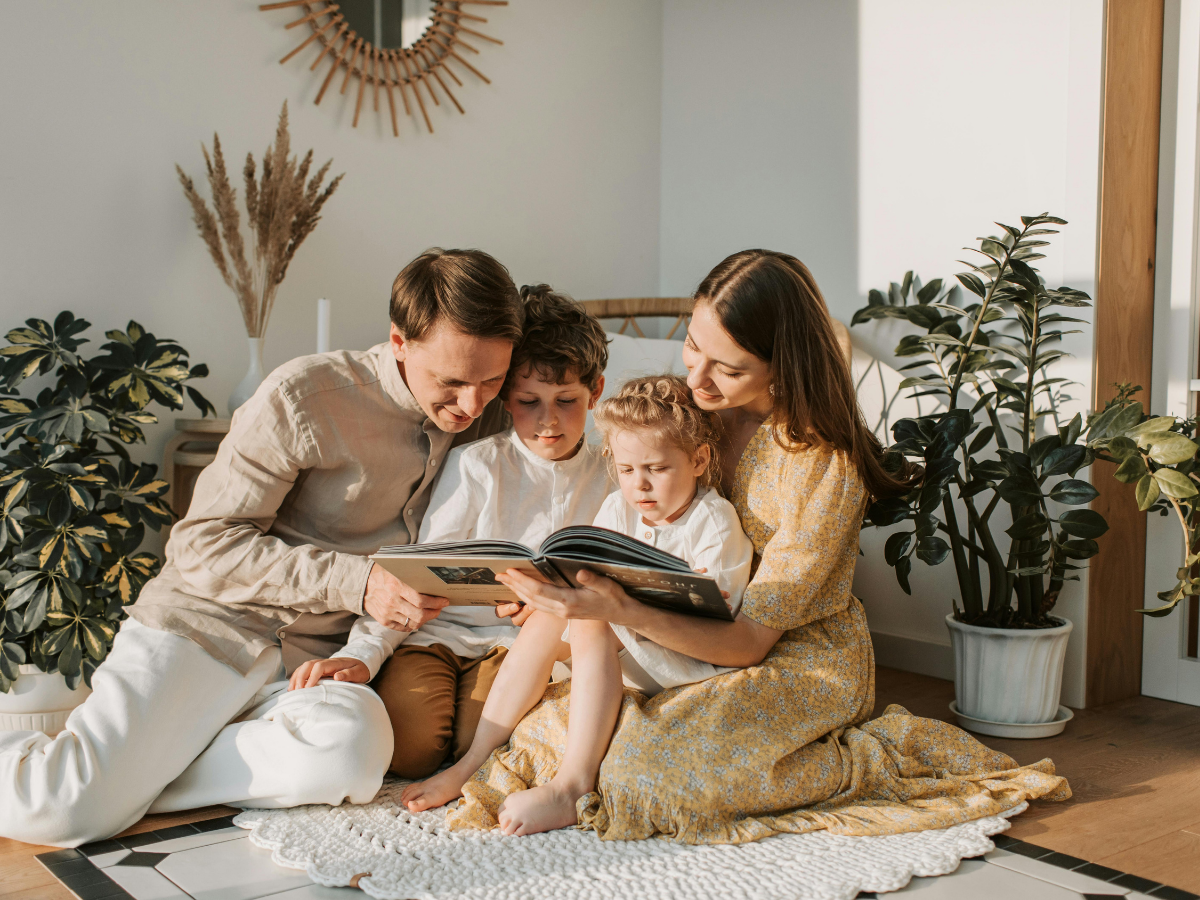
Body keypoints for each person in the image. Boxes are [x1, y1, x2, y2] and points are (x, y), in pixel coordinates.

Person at [447, 249, 1071, 844]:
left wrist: (621, 610)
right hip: (671, 630)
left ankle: (843, 756)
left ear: (782, 364)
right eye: (693, 346)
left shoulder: (823, 466)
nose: (696, 377)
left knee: (650, 777)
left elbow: (749, 643)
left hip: (790, 657)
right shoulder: (691, 417)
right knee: (548, 726)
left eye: (728, 367)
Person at [0, 248, 524, 847]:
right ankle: (105, 783)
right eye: (451, 382)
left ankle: (136, 779)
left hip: (311, 666)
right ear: (399, 342)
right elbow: (202, 543)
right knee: (62, 812)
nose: (472, 405)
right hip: (208, 627)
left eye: (491, 381)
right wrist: (357, 583)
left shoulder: (492, 415)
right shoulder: (305, 396)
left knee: (351, 756)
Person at [402, 375, 753, 835]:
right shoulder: (618, 508)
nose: (640, 486)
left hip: (681, 659)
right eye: (627, 470)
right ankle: (471, 763)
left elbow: (716, 622)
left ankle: (572, 784)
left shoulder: (714, 522)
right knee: (552, 615)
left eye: (657, 469)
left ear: (699, 460)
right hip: (630, 648)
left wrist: (619, 604)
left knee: (590, 618)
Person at [288, 285, 613, 779]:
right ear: (505, 397)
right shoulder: (476, 465)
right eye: (528, 401)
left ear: (597, 391)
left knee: (478, 743)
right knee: (410, 751)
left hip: (517, 646)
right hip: (434, 635)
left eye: (566, 401)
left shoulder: (614, 474)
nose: (548, 421)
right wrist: (362, 654)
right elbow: (419, 571)